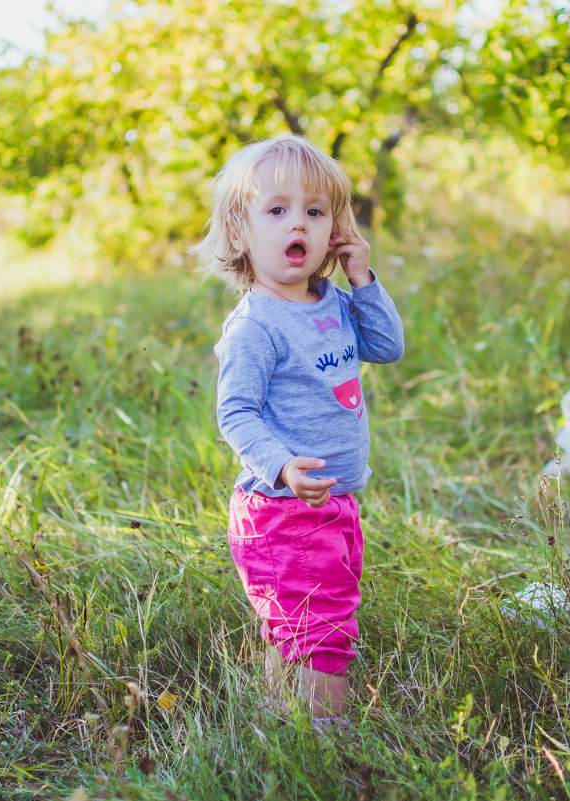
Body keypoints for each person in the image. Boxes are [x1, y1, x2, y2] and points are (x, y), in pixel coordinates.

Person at [190, 135, 405, 724]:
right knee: (323, 624)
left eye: (315, 211)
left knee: (299, 622)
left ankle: (282, 722)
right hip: (283, 507)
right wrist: (281, 465)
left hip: (333, 500)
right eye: (277, 209)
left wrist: (364, 280)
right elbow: (236, 413)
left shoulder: (333, 301)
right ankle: (328, 743)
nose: (299, 225)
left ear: (335, 231)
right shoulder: (256, 326)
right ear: (240, 230)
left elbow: (386, 347)